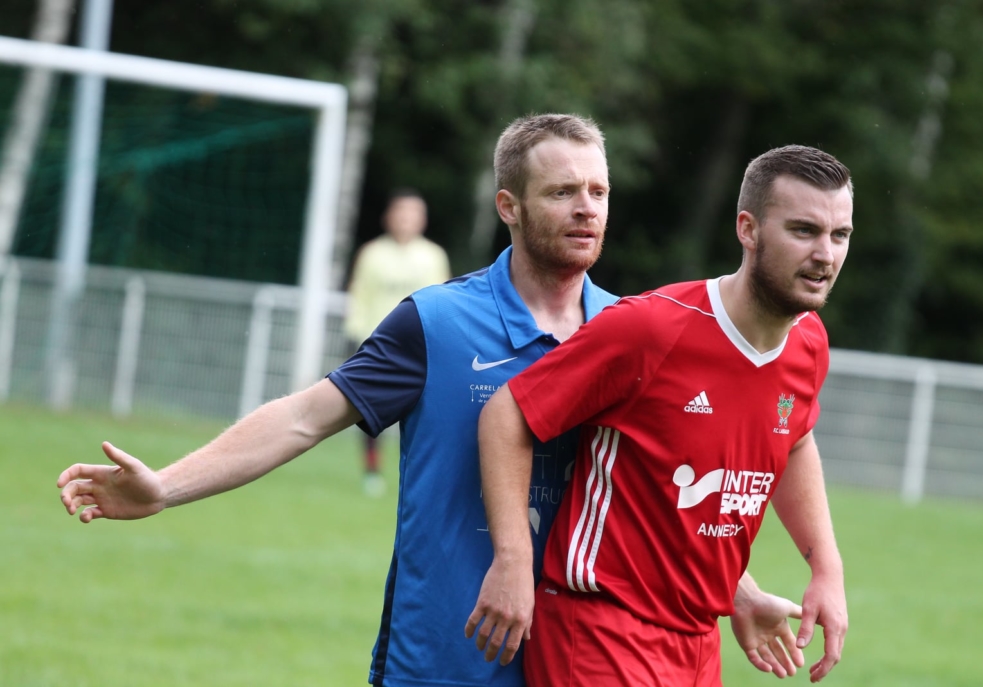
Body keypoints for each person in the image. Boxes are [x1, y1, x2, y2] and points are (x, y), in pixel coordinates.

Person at [58, 115, 807, 687]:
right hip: (444, 657)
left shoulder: (632, 332)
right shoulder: (438, 322)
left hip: (579, 661)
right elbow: (300, 417)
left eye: (599, 191)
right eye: (563, 191)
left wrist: (734, 590)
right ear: (509, 206)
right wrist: (166, 487)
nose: (587, 209)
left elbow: (651, 501)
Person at [467, 144, 852, 685]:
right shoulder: (651, 329)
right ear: (748, 229)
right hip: (603, 629)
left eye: (840, 236)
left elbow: (793, 440)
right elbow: (507, 413)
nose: (825, 255)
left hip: (699, 640)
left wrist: (825, 570)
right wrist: (511, 560)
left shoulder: (809, 342)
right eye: (804, 231)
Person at [344, 188, 450, 496]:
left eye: (412, 214)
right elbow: (359, 296)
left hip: (423, 345)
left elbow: (443, 300)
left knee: (425, 412)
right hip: (377, 345)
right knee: (368, 411)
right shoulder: (372, 254)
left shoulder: (433, 256)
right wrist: (356, 334)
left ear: (422, 220)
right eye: (400, 213)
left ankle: (418, 474)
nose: (405, 220)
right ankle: (372, 471)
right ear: (389, 217)